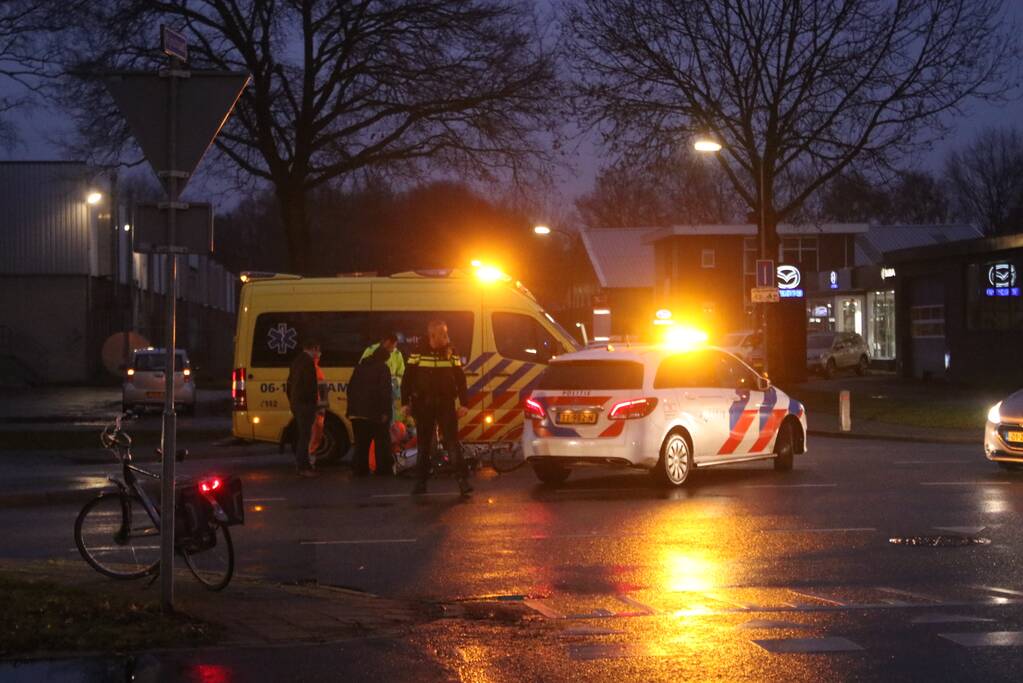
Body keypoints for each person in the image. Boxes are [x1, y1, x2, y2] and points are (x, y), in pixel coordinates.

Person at [401, 320, 472, 496]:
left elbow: (460, 379)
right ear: (433, 335)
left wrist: (464, 404)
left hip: (445, 404)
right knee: (424, 445)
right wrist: (405, 403)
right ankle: (420, 484)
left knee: (452, 443)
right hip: (423, 404)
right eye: (443, 334)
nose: (447, 337)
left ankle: (463, 482)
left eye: (446, 333)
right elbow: (407, 378)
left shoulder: (451, 352)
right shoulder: (418, 352)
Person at [347, 344, 393, 477]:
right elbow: (385, 392)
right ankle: (383, 470)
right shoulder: (383, 369)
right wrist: (386, 412)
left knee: (361, 443)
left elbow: (350, 389)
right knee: (381, 442)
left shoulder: (359, 367)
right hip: (374, 413)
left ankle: (359, 470)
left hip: (356, 413)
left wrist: (351, 409)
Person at [286, 338, 321, 477]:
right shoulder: (308, 363)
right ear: (314, 348)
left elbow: (288, 384)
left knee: (303, 436)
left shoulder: (297, 361)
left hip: (297, 403)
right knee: (305, 437)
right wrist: (314, 403)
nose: (318, 353)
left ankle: (302, 466)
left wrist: (292, 401)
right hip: (305, 405)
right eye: (317, 350)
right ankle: (303, 467)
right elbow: (310, 386)